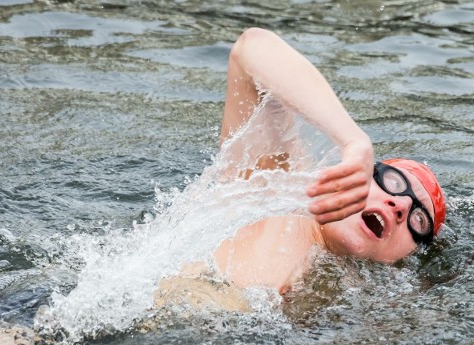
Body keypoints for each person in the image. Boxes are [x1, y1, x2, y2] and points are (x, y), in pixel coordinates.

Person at [189, 28, 446, 296]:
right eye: (394, 182)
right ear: (356, 173)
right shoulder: (269, 190)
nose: (401, 204)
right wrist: (353, 141)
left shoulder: (357, 309)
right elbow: (252, 46)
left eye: (419, 222)